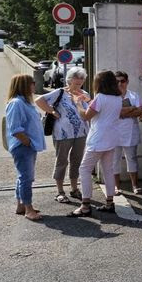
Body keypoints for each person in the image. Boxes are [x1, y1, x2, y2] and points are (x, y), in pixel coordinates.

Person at [71, 70, 125, 217]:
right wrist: (88, 100)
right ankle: (109, 202)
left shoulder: (100, 97)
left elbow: (86, 116)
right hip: (111, 137)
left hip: (98, 138)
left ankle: (85, 205)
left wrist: (78, 104)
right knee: (108, 170)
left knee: (84, 169)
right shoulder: (117, 98)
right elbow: (102, 110)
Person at [35, 66, 88, 203]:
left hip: (81, 132)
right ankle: (60, 191)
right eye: (76, 79)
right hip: (62, 133)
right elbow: (39, 100)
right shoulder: (59, 92)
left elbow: (88, 112)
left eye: (81, 79)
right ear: (69, 80)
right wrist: (52, 111)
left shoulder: (84, 94)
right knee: (62, 161)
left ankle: (74, 189)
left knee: (77, 161)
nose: (79, 82)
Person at [5, 74, 46, 221]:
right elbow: (15, 129)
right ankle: (28, 209)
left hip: (28, 146)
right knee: (26, 178)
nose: (34, 85)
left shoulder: (25, 103)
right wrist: (28, 143)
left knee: (23, 177)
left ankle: (21, 205)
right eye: (32, 83)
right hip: (23, 147)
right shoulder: (16, 103)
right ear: (24, 85)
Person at [112, 70, 142, 195]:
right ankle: (116, 186)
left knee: (132, 159)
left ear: (127, 82)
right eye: (117, 81)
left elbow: (139, 112)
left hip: (130, 132)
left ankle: (135, 185)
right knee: (114, 160)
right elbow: (112, 113)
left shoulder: (134, 95)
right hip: (114, 132)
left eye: (122, 81)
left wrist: (123, 111)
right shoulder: (110, 96)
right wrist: (131, 109)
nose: (120, 84)